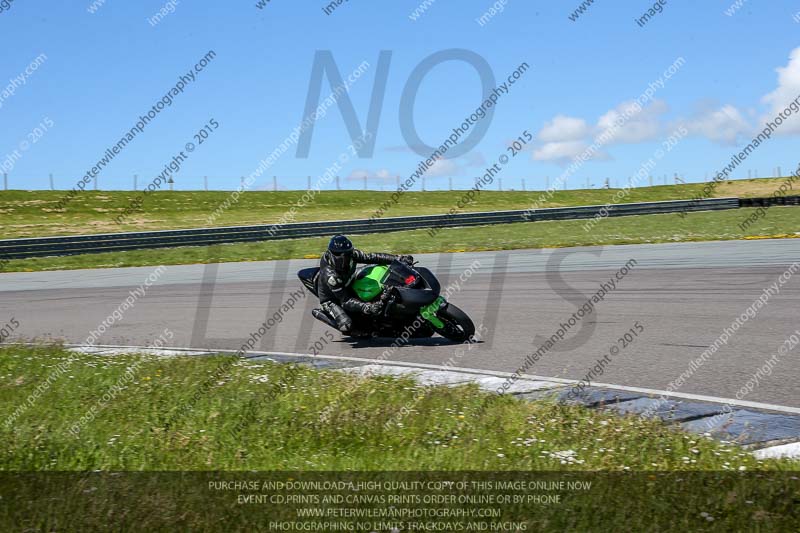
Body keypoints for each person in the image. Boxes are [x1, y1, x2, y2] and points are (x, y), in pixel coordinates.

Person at [316, 235, 413, 334]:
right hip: (333, 299)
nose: (346, 257)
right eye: (342, 255)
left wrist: (398, 259)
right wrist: (366, 307)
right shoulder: (331, 276)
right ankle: (324, 315)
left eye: (348, 254)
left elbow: (372, 257)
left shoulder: (352, 255)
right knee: (347, 325)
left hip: (348, 282)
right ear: (333, 255)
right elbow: (345, 300)